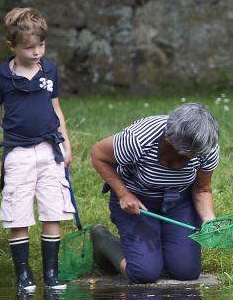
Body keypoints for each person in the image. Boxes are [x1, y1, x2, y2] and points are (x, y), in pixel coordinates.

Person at [0, 7, 74, 292]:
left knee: (53, 210)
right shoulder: (0, 75)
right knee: (18, 211)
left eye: (41, 45)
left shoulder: (49, 70)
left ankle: (51, 273)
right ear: (11, 45)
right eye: (29, 47)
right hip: (18, 153)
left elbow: (56, 107)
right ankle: (24, 276)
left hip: (50, 150)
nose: (37, 51)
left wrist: (66, 142)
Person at [88, 103, 220, 284]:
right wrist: (123, 194)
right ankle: (103, 240)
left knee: (186, 271)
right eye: (188, 154)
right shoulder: (139, 138)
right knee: (144, 274)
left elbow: (203, 188)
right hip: (138, 202)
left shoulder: (205, 147)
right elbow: (98, 155)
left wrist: (209, 220)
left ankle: (157, 249)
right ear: (169, 139)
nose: (193, 157)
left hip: (179, 202)